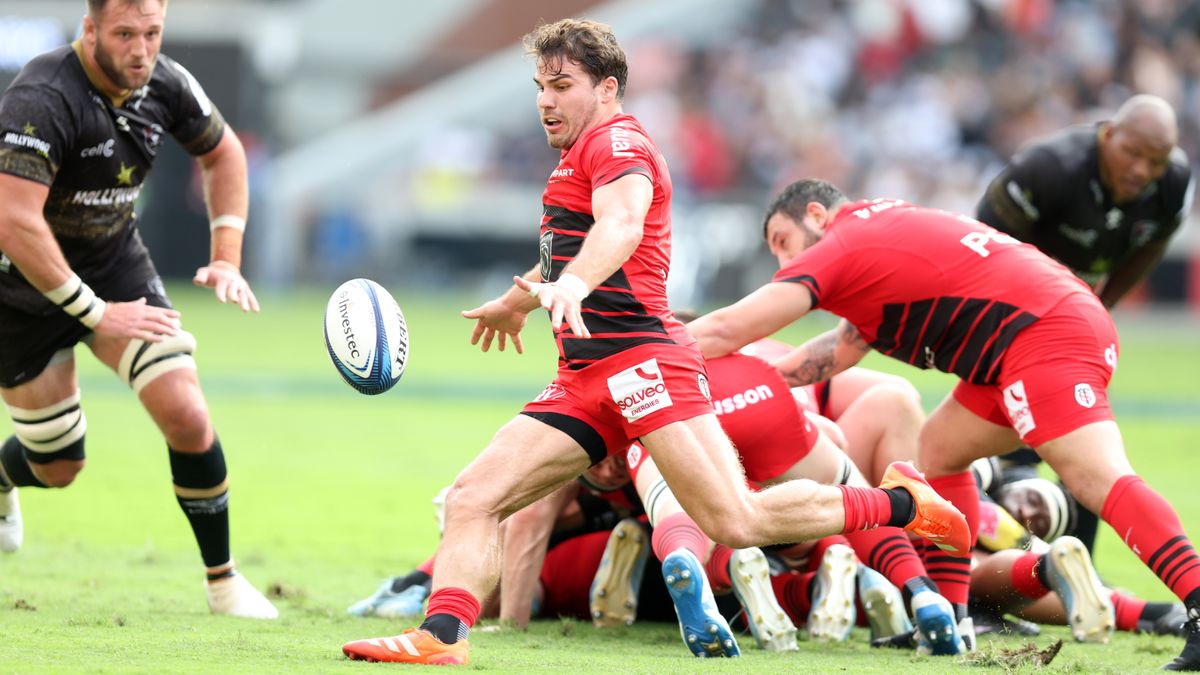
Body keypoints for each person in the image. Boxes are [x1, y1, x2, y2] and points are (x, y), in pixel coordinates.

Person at [341, 20, 966, 666]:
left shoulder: (620, 144)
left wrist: (577, 282)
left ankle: (900, 501)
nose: (545, 101)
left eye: (562, 85)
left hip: (646, 365)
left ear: (607, 89)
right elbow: (570, 248)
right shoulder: (576, 158)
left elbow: (622, 226)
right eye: (539, 87)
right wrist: (520, 296)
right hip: (583, 377)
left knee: (737, 521)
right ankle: (441, 637)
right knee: (476, 495)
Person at [687, 178, 1200, 670]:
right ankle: (956, 617)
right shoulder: (873, 235)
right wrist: (755, 381)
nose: (783, 260)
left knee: (1096, 477)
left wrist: (649, 351)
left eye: (784, 240)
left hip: (1041, 334)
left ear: (817, 215)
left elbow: (733, 324)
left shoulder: (842, 243)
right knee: (939, 452)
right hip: (1030, 335)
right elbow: (834, 350)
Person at [0, 0, 275, 618]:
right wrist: (94, 313)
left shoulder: (166, 81)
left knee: (186, 412)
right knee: (59, 464)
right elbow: (13, 223)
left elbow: (225, 153)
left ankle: (223, 581)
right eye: (124, 34)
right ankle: (2, 476)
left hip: (113, 262)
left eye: (152, 33)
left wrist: (226, 255)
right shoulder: (41, 96)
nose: (140, 50)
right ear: (89, 29)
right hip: (19, 288)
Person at [977, 94, 1193, 309]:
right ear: (1108, 134)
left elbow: (1153, 246)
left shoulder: (1174, 181)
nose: (1141, 170)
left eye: (1157, 162)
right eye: (1132, 152)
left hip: (1076, 297)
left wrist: (1102, 306)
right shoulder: (1050, 167)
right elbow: (989, 239)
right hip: (1013, 288)